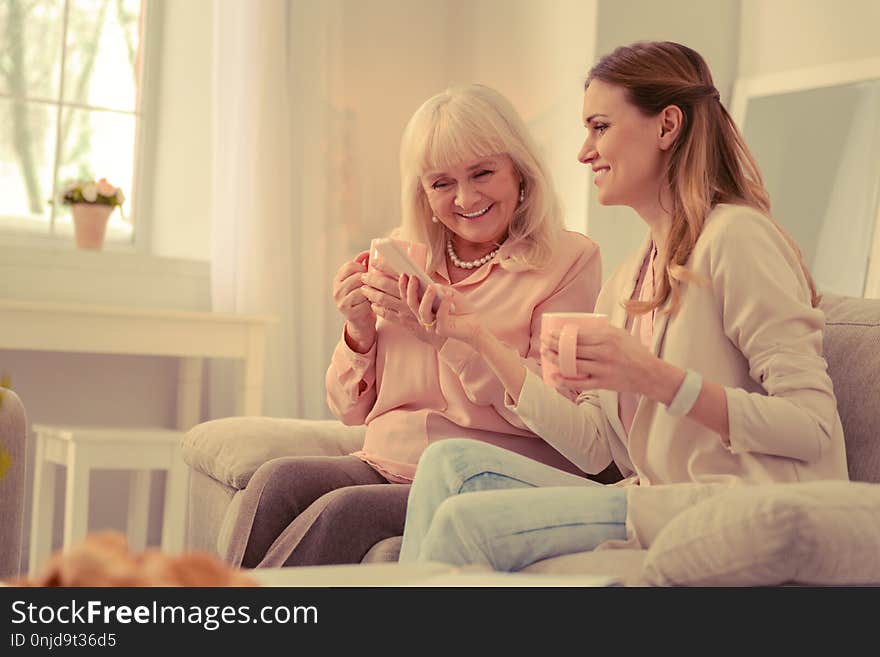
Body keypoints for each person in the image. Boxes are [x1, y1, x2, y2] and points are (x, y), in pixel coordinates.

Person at [398, 41, 849, 570]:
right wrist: (473, 337)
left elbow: (812, 427)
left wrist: (651, 376)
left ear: (666, 126)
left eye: (599, 127)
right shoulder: (628, 280)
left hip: (736, 504)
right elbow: (594, 448)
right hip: (654, 497)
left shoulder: (736, 237)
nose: (583, 151)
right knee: (448, 462)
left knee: (465, 523)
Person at [227, 84, 603, 567]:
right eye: (441, 183)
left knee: (342, 511)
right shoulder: (404, 254)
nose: (465, 197)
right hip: (384, 460)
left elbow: (556, 409)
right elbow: (348, 410)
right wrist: (358, 331)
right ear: (422, 191)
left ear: (520, 171)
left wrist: (449, 340)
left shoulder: (567, 261)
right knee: (275, 481)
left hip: (480, 470)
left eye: (482, 172)